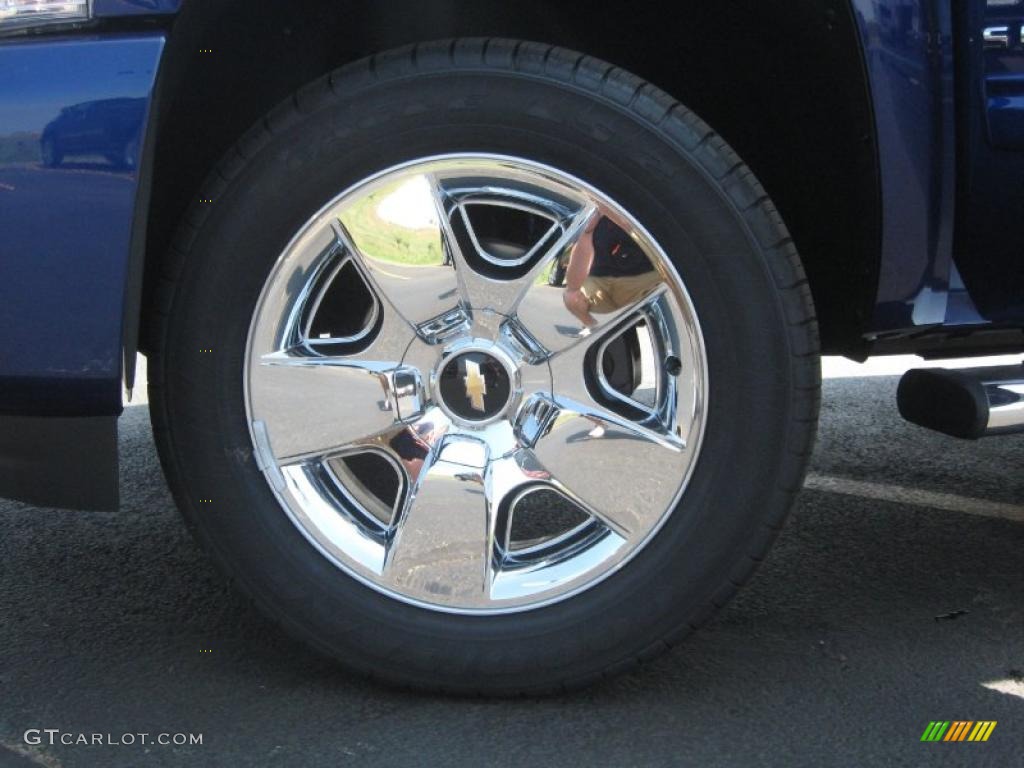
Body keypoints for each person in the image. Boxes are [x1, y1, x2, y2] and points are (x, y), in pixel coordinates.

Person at [561, 205, 661, 327]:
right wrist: (587, 231)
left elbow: (640, 232)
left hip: (640, 277)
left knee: (663, 278)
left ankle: (645, 318)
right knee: (571, 297)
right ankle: (592, 326)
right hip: (599, 281)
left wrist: (607, 209)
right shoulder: (588, 214)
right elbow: (574, 283)